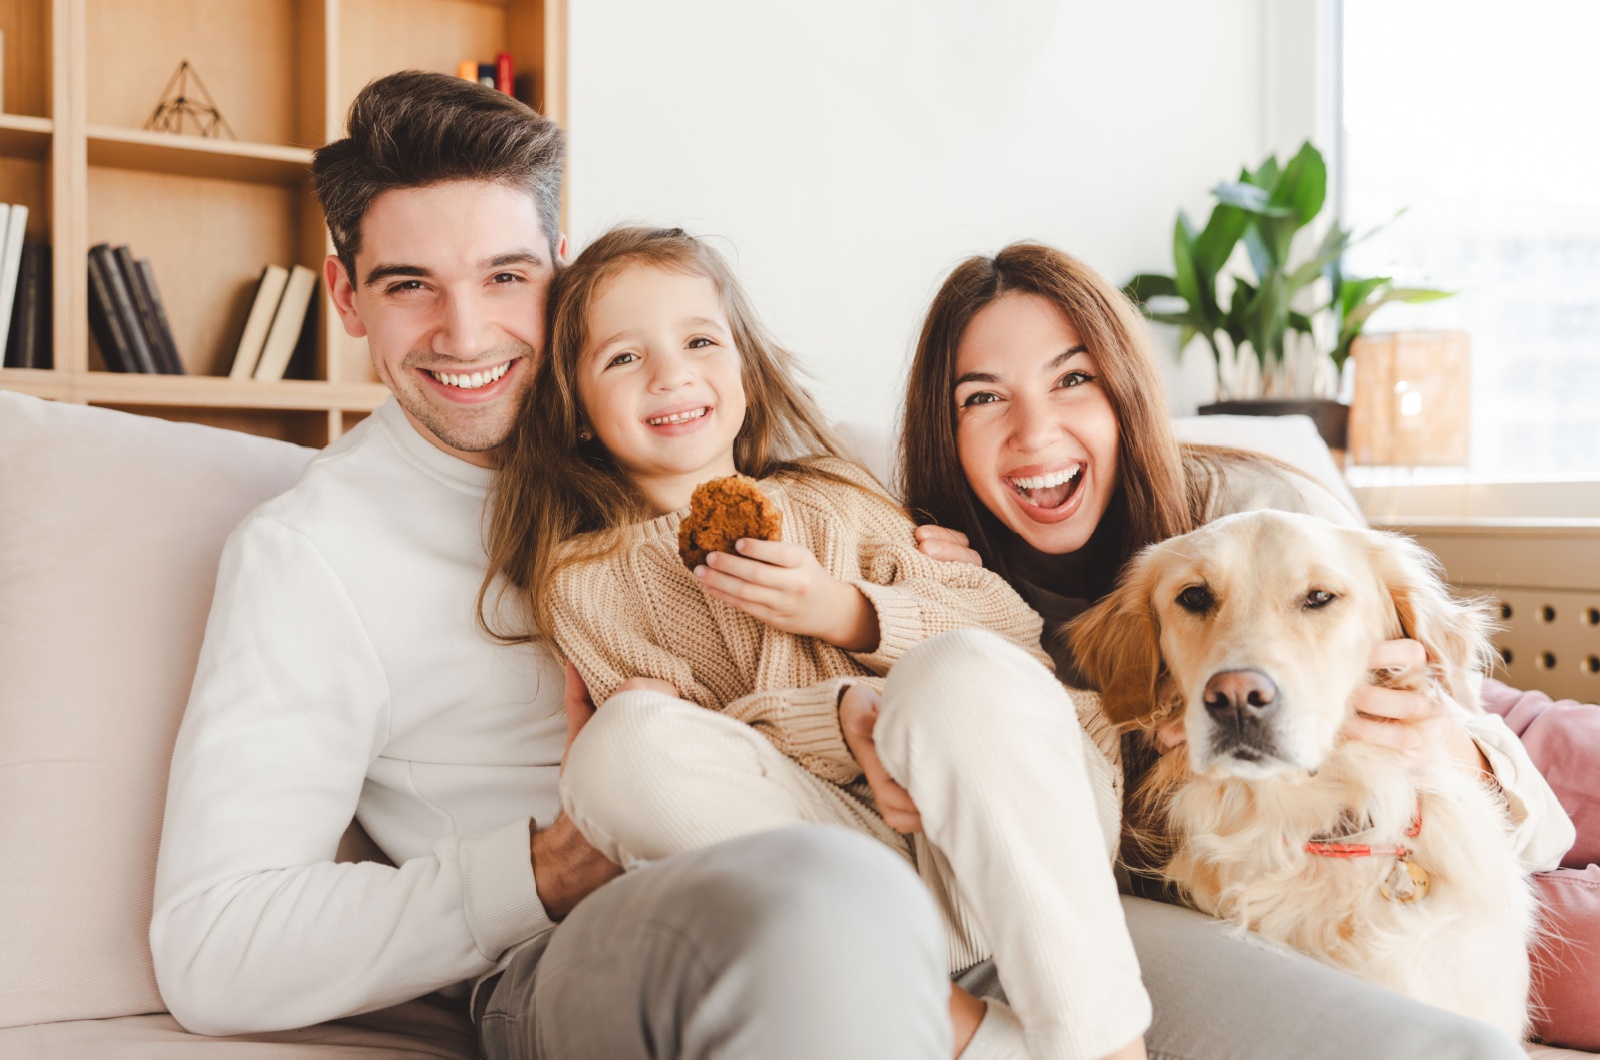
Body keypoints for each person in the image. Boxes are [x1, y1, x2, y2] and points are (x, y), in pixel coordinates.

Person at [149, 72, 956, 1060]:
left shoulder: (685, 425)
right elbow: (215, 944)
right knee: (833, 899)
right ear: (347, 296)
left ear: (560, 275)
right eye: (410, 285)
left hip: (865, 828)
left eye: (505, 276)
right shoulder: (311, 553)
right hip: (585, 940)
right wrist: (547, 867)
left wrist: (912, 578)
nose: (466, 332)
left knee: (1200, 991)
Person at [481, 225, 1152, 1060]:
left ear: (747, 378)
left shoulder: (834, 495)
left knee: (959, 673)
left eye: (699, 341)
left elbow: (1008, 636)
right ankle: (971, 1029)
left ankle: (1102, 1045)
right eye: (623, 358)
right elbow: (693, 764)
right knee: (619, 748)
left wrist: (849, 613)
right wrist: (841, 718)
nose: (671, 373)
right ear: (576, 411)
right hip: (846, 887)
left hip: (1008, 832)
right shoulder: (589, 583)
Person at [897, 241, 1578, 1058]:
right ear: (946, 426)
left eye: (1072, 378)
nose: (1034, 430)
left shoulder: (1253, 504)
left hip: (1427, 721)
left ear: (1122, 391)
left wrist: (1454, 746)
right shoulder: (931, 582)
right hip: (1274, 815)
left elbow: (1536, 817)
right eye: (982, 397)